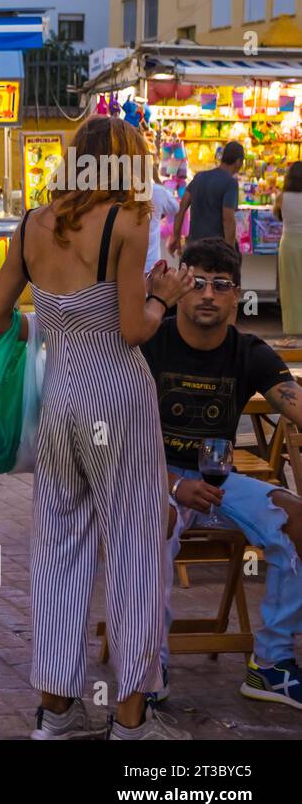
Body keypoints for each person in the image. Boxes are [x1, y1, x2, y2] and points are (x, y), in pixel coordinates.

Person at [0, 115, 196, 740]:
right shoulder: (130, 221)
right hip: (116, 393)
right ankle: (131, 719)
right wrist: (165, 296)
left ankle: (56, 711)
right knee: (133, 550)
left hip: (57, 395)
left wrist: (53, 322)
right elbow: (135, 329)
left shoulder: (31, 225)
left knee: (57, 550)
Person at [138, 236, 302, 710]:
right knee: (157, 523)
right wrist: (172, 485)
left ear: (237, 294)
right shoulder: (149, 343)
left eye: (222, 284)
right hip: (153, 480)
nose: (208, 294)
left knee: (296, 519)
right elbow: (114, 438)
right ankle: (149, 663)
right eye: (198, 282)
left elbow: (293, 403)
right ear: (180, 286)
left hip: (219, 483)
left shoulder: (249, 352)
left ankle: (270, 666)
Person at [170, 141, 243, 252]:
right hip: (215, 251)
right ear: (238, 162)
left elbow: (181, 208)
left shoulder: (199, 177)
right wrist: (230, 251)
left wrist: (176, 237)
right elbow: (228, 219)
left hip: (193, 248)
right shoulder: (230, 183)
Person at [273, 162, 302, 344]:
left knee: (290, 289)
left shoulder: (281, 197)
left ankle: (293, 333)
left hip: (289, 243)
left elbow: (277, 216)